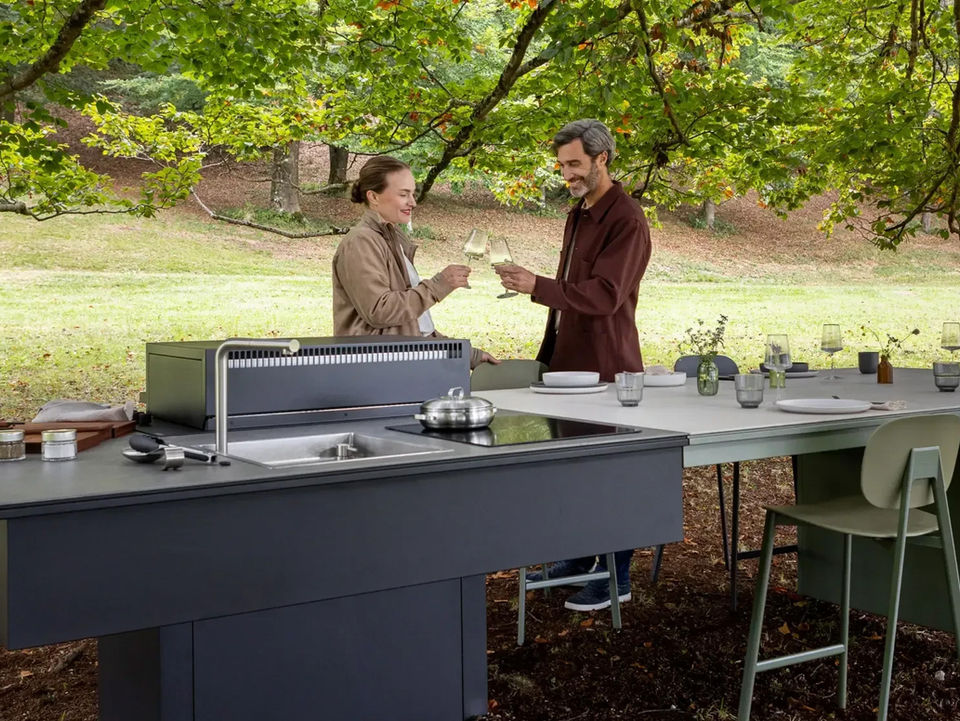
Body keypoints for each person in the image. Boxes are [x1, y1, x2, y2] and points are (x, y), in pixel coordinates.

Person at [495, 119, 651, 612]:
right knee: (576, 472)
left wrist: (537, 286)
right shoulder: (578, 213)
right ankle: (582, 560)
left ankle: (617, 577)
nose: (567, 174)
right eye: (562, 165)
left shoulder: (627, 219)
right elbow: (573, 291)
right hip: (567, 361)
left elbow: (605, 296)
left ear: (603, 158)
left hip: (606, 366)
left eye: (575, 164)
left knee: (610, 476)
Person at [332, 155, 499, 369]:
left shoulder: (391, 239)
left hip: (397, 368)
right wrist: (438, 285)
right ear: (373, 196)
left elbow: (413, 326)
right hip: (376, 372)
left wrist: (467, 355)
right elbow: (379, 311)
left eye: (412, 193)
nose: (413, 202)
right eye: (403, 194)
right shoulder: (361, 242)